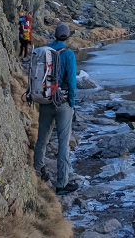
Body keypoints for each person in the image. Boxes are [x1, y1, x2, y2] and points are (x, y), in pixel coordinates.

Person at [32, 22, 79, 194]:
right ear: (67, 36)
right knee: (63, 143)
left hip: (45, 100)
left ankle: (37, 172)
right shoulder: (68, 54)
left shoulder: (45, 51)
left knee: (42, 139)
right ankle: (62, 184)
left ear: (55, 34)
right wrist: (72, 102)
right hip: (63, 103)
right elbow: (72, 82)